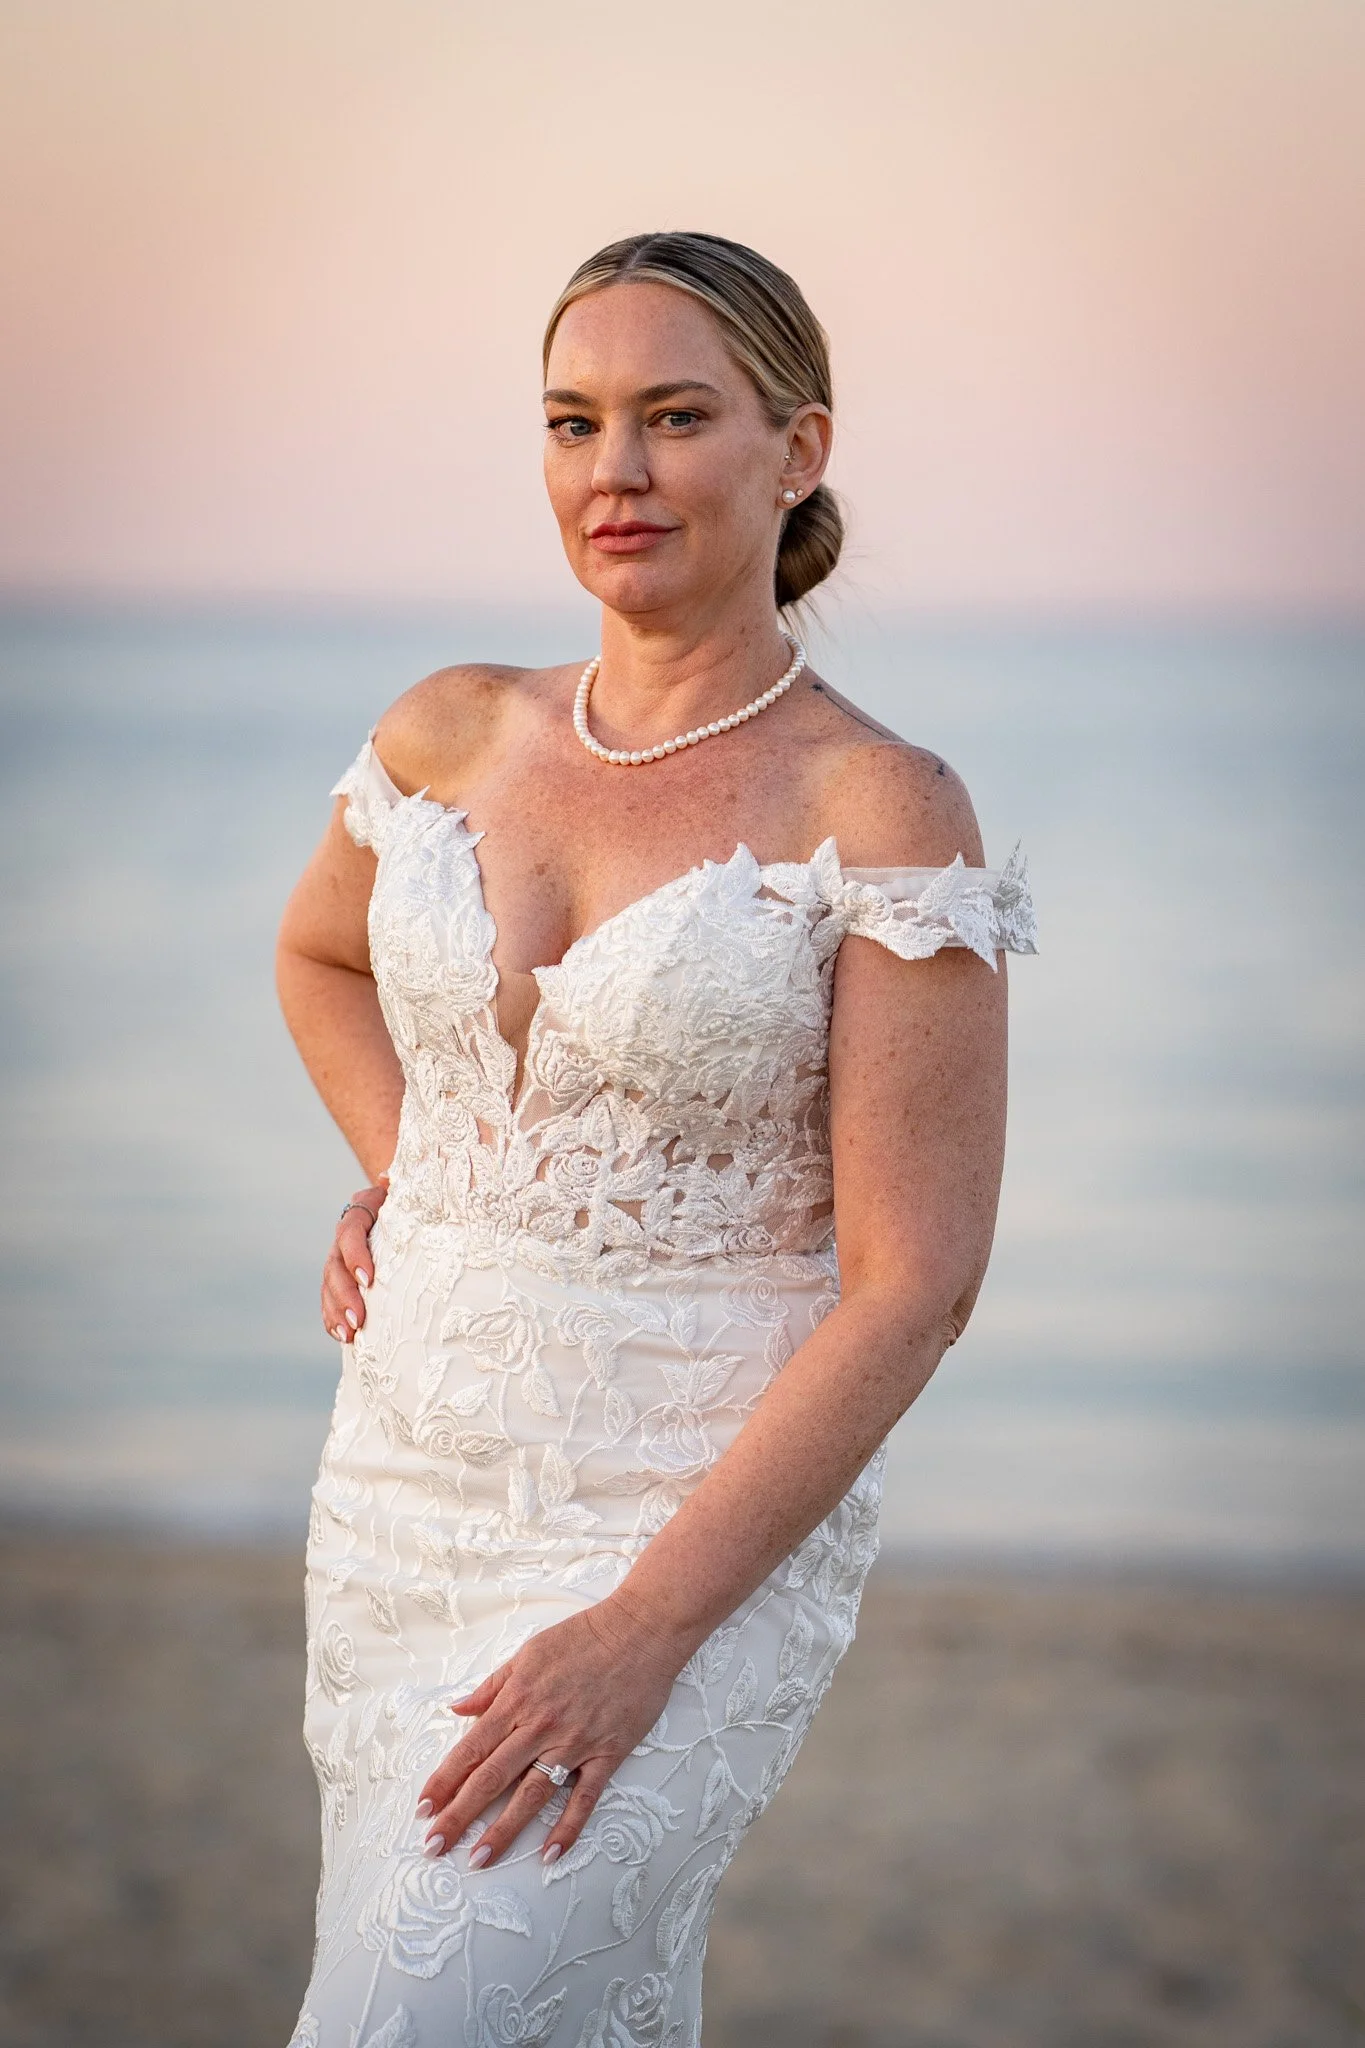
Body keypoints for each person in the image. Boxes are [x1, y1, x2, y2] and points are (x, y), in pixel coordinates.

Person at [275, 229, 1036, 2048]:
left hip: (674, 1537)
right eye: (573, 421)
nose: (613, 472)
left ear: (800, 448)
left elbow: (915, 1283)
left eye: (675, 417)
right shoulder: (452, 729)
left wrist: (646, 1633)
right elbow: (316, 954)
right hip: (397, 1504)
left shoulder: (881, 802)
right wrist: (430, 1160)